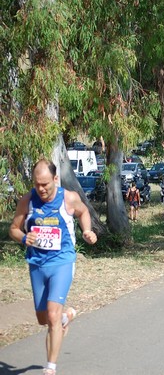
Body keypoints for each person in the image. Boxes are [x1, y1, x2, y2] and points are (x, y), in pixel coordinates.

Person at [9, 159, 98, 375]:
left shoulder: (68, 198)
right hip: (37, 264)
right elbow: (13, 228)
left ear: (55, 179)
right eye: (37, 184)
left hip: (62, 262)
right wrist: (23, 238)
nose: (41, 189)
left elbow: (83, 211)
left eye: (46, 184)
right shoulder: (28, 201)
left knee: (52, 315)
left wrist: (87, 230)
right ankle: (66, 317)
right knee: (43, 319)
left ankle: (50, 367)